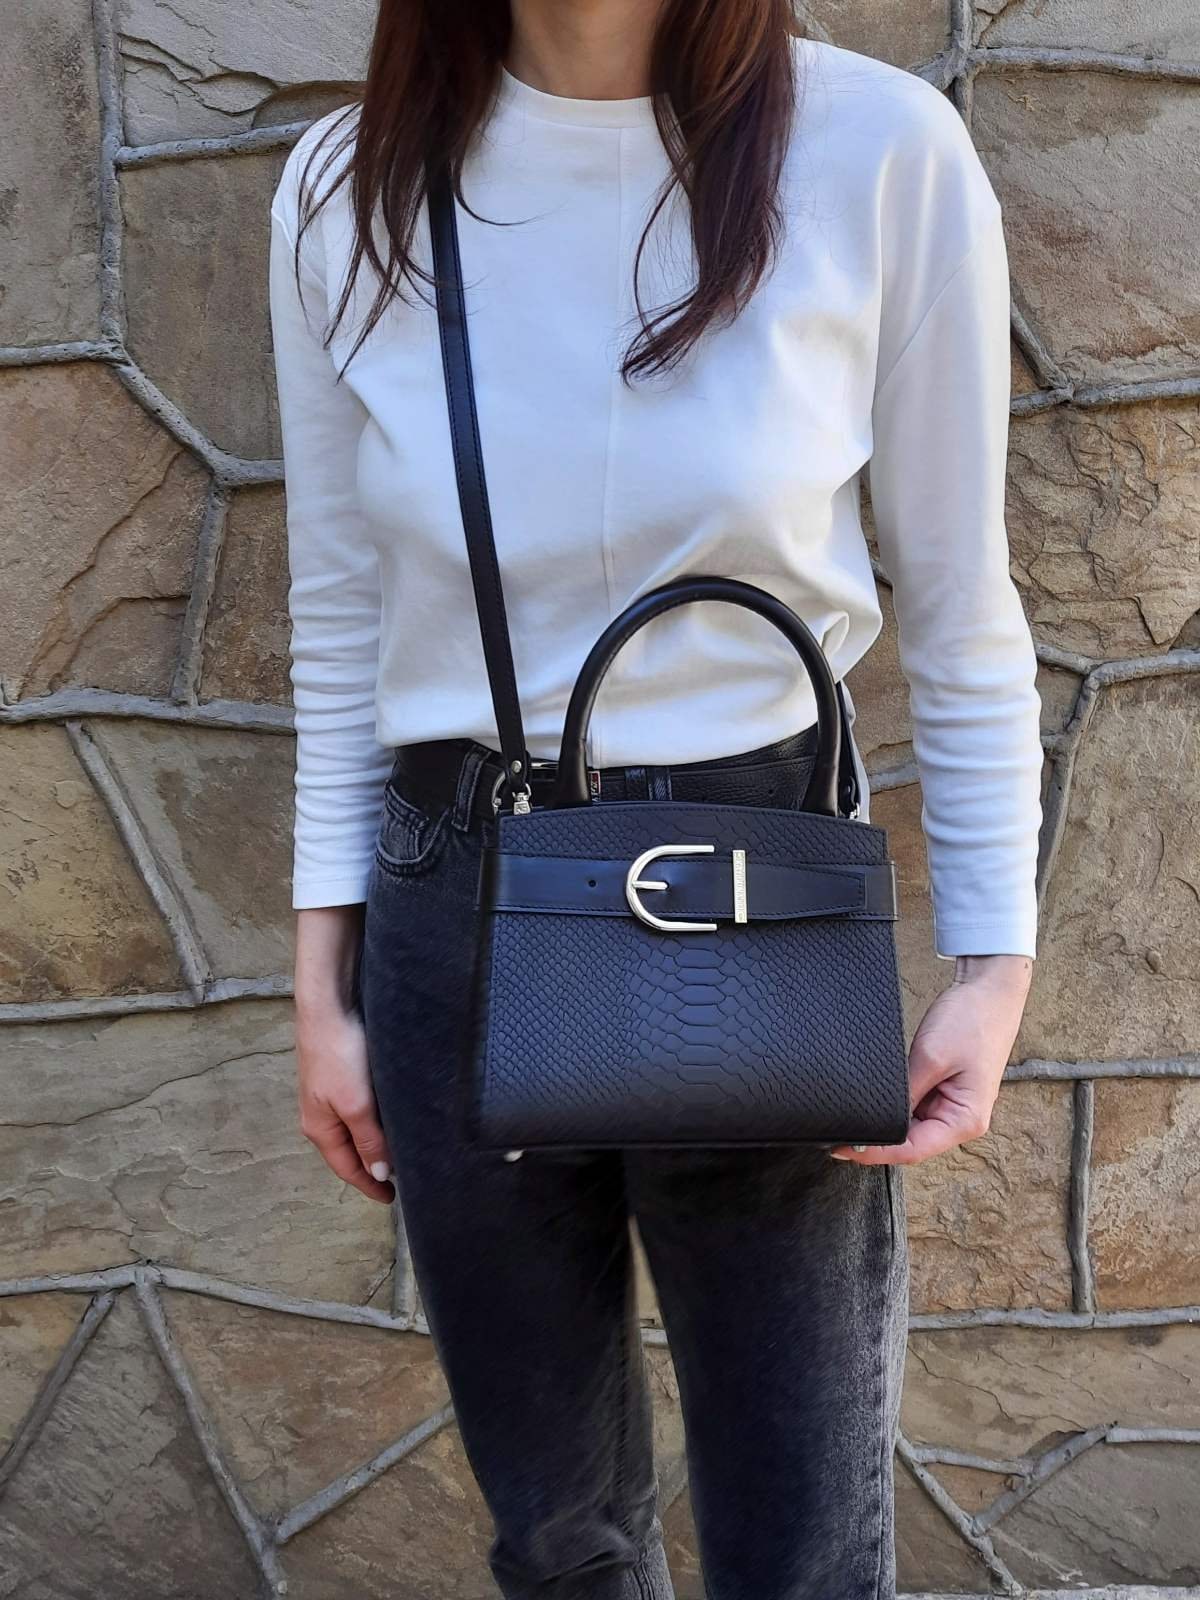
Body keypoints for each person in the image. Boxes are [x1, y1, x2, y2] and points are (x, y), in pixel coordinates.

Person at [267, 3, 1042, 1595]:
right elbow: (340, 612)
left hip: (757, 895)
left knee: (802, 1545)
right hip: (458, 898)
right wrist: (320, 976)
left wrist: (996, 960)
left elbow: (965, 601)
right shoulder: (352, 185)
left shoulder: (879, 153)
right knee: (558, 1536)